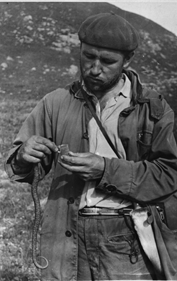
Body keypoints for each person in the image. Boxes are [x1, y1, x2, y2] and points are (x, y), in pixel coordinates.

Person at [5, 12, 177, 281]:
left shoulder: (153, 110)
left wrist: (105, 169)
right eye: (88, 57)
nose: (95, 69)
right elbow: (19, 168)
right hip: (66, 233)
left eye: (108, 61)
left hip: (126, 236)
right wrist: (24, 156)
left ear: (127, 60)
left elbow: (169, 175)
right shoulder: (56, 102)